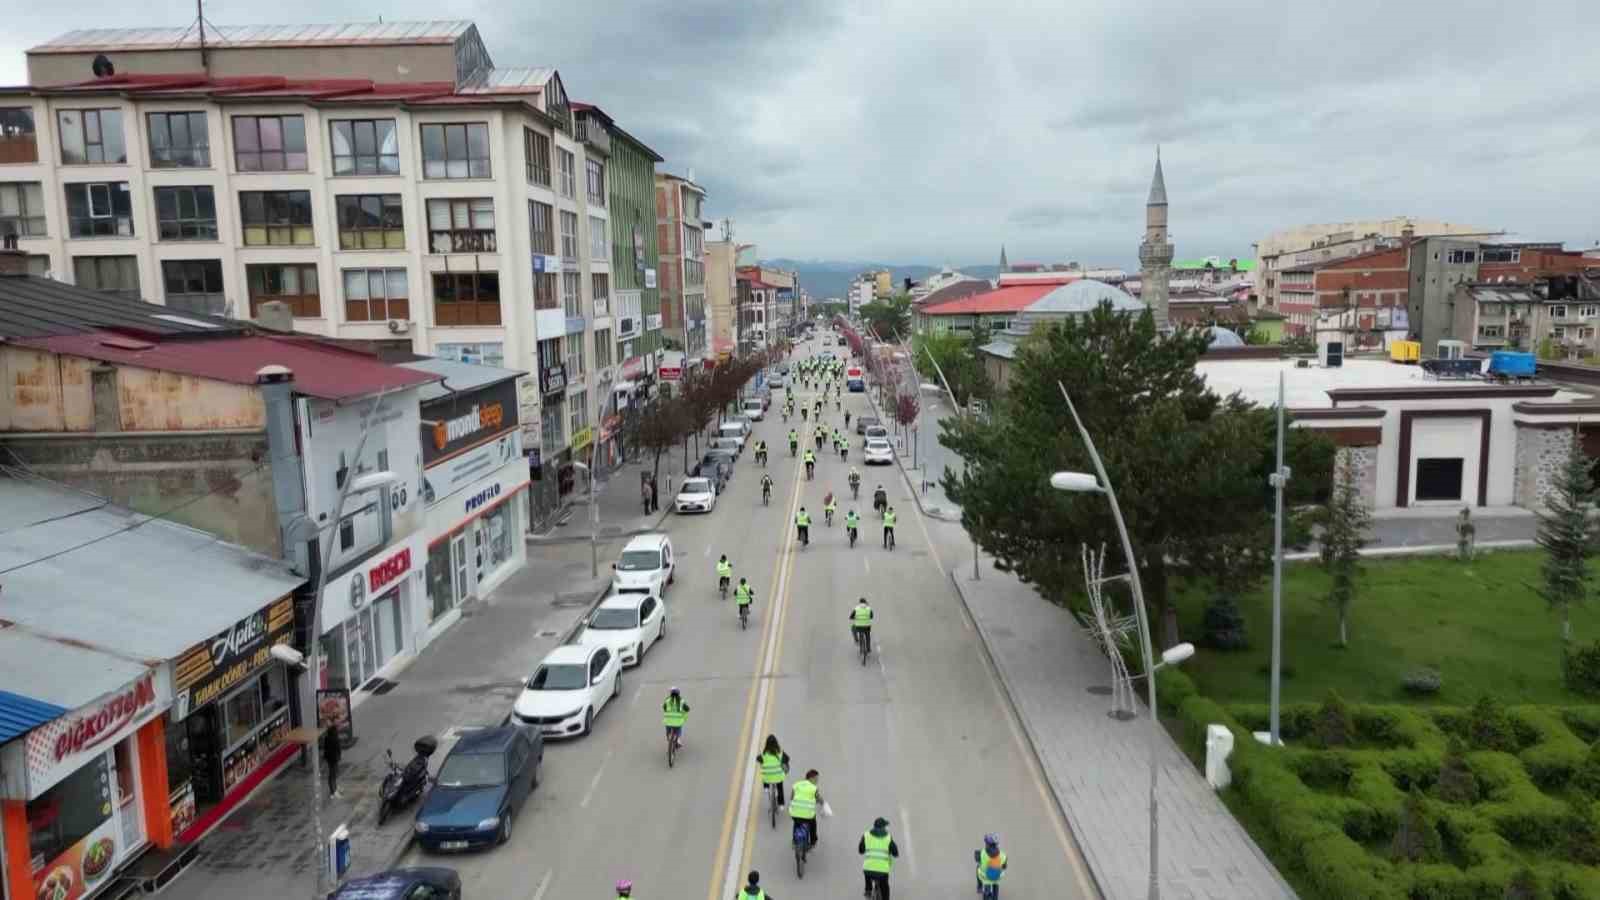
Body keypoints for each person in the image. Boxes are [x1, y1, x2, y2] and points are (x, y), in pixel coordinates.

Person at [859, 817, 900, 899]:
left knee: (868, 874)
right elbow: (895, 853)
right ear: (883, 827)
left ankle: (868, 890)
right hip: (882, 871)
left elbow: (861, 850)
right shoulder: (888, 837)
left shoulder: (866, 835)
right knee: (885, 887)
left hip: (868, 869)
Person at [790, 769, 824, 849]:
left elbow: (791, 798)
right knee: (813, 824)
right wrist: (823, 804)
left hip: (795, 813)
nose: (817, 781)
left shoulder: (796, 785)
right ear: (811, 778)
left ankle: (795, 841)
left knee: (796, 823)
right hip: (808, 815)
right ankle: (813, 842)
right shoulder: (813, 788)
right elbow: (819, 799)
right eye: (816, 779)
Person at [756, 734, 791, 807]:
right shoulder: (780, 753)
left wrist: (763, 763)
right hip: (778, 776)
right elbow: (787, 759)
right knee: (780, 787)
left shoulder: (764, 754)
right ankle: (781, 804)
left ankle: (766, 787)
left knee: (765, 773)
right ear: (776, 743)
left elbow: (758, 759)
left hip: (767, 778)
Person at [320, 722, 342, 798]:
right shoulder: (336, 739)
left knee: (332, 774)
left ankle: (333, 788)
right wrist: (339, 757)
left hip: (329, 759)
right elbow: (338, 749)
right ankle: (333, 791)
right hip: (334, 759)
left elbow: (325, 749)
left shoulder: (327, 738)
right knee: (333, 774)